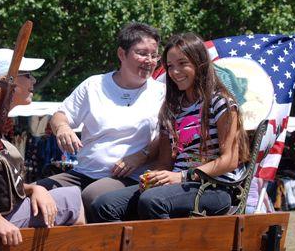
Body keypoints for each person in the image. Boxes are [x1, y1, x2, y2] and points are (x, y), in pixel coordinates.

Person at [90, 32, 250, 222]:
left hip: (216, 187)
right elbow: (165, 162)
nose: (175, 72)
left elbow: (230, 160)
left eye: (183, 64)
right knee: (103, 205)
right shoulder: (172, 109)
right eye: (170, 66)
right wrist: (154, 177)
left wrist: (182, 177)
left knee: (152, 201)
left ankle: (165, 250)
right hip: (178, 185)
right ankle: (132, 250)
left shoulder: (221, 102)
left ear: (200, 63)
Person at [34, 22, 165, 215]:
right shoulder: (93, 85)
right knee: (34, 191)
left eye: (154, 55)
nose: (149, 60)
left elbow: (169, 138)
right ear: (122, 54)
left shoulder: (161, 92)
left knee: (93, 195)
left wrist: (142, 155)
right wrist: (62, 128)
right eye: (142, 53)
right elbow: (59, 116)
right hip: (82, 173)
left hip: (129, 178)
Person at [0, 49, 85, 245]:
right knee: (73, 198)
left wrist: (33, 190)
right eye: (27, 75)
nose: (34, 81)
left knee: (58, 193)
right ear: (5, 80)